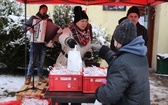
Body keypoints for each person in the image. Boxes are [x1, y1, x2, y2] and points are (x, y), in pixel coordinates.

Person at [95, 19, 150, 105]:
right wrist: (106, 53)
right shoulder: (141, 55)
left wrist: (98, 91)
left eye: (115, 39)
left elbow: (109, 96)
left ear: (119, 42)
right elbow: (127, 64)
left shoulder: (122, 64)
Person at [55, 6, 92, 105]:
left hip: (78, 65)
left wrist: (89, 52)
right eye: (82, 21)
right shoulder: (69, 30)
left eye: (86, 21)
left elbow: (89, 47)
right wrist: (68, 40)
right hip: (65, 63)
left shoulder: (87, 33)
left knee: (77, 94)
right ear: (76, 21)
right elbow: (62, 37)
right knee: (64, 93)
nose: (84, 23)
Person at [22, 4, 62, 85]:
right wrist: (28, 28)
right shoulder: (34, 18)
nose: (45, 10)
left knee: (42, 60)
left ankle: (40, 76)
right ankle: (28, 77)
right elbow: (24, 25)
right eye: (43, 9)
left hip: (44, 43)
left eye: (46, 9)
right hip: (34, 42)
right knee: (32, 60)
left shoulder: (49, 20)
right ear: (40, 9)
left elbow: (53, 30)